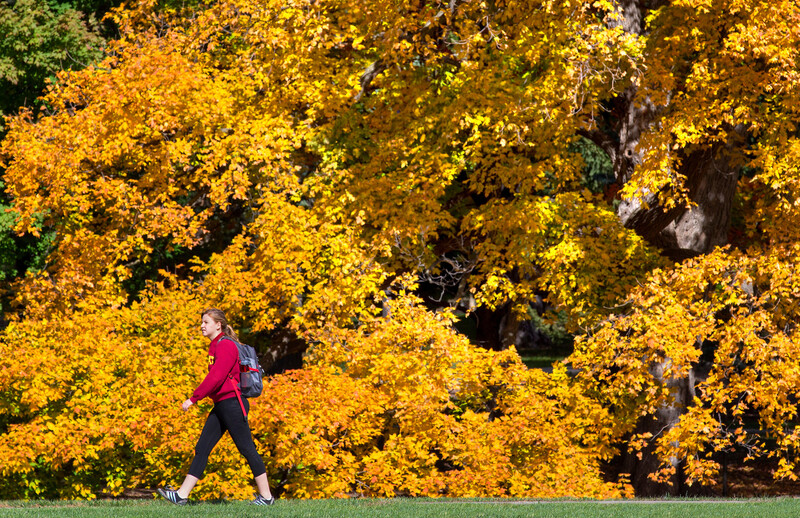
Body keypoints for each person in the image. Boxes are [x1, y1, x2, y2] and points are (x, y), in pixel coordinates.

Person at [157, 308, 275, 506]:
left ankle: (267, 497)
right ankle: (181, 495)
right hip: (222, 404)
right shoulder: (216, 345)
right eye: (202, 322)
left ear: (218, 325)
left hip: (232, 404)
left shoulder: (225, 345)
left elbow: (216, 377)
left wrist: (193, 399)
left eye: (206, 322)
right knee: (202, 448)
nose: (202, 326)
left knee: (247, 449)